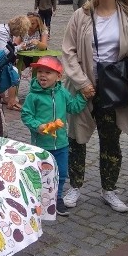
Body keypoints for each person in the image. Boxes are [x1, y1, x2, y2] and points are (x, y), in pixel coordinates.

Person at [61, 0, 128, 213]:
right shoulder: (82, 15)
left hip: (115, 87)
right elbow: (68, 51)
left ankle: (109, 189)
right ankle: (75, 185)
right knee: (76, 138)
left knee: (111, 141)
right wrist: (83, 82)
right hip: (83, 86)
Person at [21, 56, 87, 217]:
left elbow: (73, 107)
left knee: (61, 172)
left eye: (48, 72)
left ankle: (57, 199)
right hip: (41, 145)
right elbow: (26, 115)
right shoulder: (33, 96)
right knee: (41, 174)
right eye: (40, 72)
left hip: (61, 144)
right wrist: (38, 126)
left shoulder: (62, 93)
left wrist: (83, 96)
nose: (43, 75)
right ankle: (37, 199)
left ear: (59, 77)